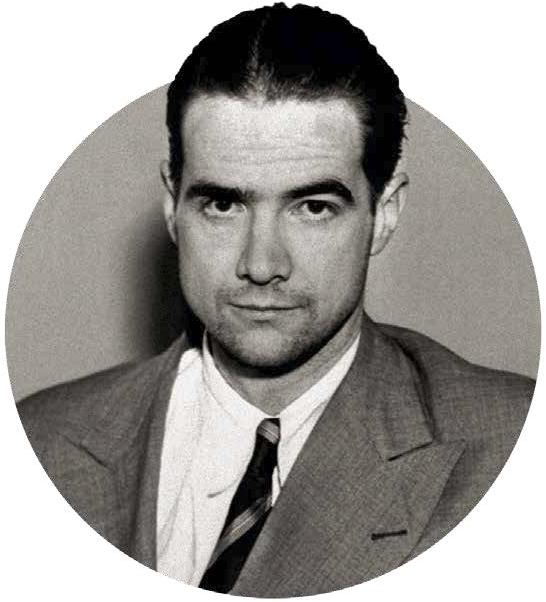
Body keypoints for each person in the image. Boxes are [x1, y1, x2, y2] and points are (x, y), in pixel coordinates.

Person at [17, 3, 534, 597]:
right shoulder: (39, 442)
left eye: (313, 208)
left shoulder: (515, 449)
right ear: (172, 206)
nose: (261, 265)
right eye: (222, 205)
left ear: (385, 214)